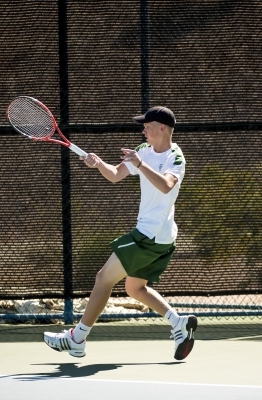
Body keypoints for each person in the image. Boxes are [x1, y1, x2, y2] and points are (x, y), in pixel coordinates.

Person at [43, 106, 197, 361]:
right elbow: (115, 175)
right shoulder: (142, 151)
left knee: (103, 278)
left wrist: (140, 165)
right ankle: (178, 322)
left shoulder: (175, 157)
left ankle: (77, 338)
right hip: (159, 238)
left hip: (150, 236)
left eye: (147, 125)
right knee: (135, 288)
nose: (143, 129)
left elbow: (167, 185)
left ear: (162, 128)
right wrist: (98, 163)